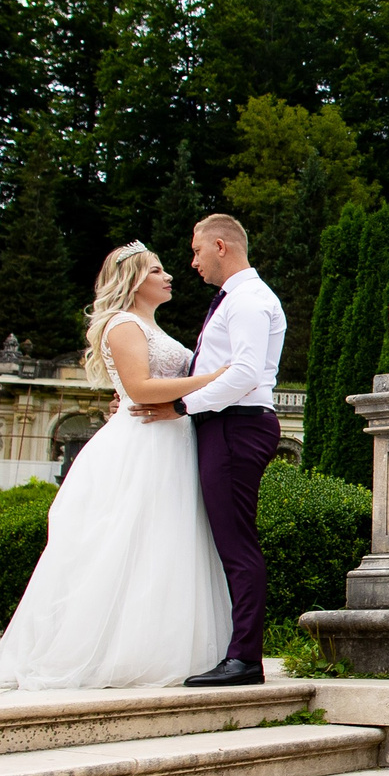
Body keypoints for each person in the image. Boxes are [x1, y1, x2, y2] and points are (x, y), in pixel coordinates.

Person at [0, 242, 234, 688]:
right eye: (158, 270)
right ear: (135, 279)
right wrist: (219, 379)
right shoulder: (122, 324)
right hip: (142, 445)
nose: (169, 276)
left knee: (164, 545)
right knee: (127, 542)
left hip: (170, 439)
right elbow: (139, 387)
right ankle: (109, 651)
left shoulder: (149, 325)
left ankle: (156, 646)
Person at [135, 213, 285, 688]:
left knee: (236, 544)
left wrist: (181, 407)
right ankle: (236, 653)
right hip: (226, 424)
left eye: (197, 251)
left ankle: (244, 659)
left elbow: (244, 375)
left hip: (235, 427)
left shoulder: (249, 301)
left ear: (221, 246)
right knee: (228, 541)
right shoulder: (238, 299)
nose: (192, 262)